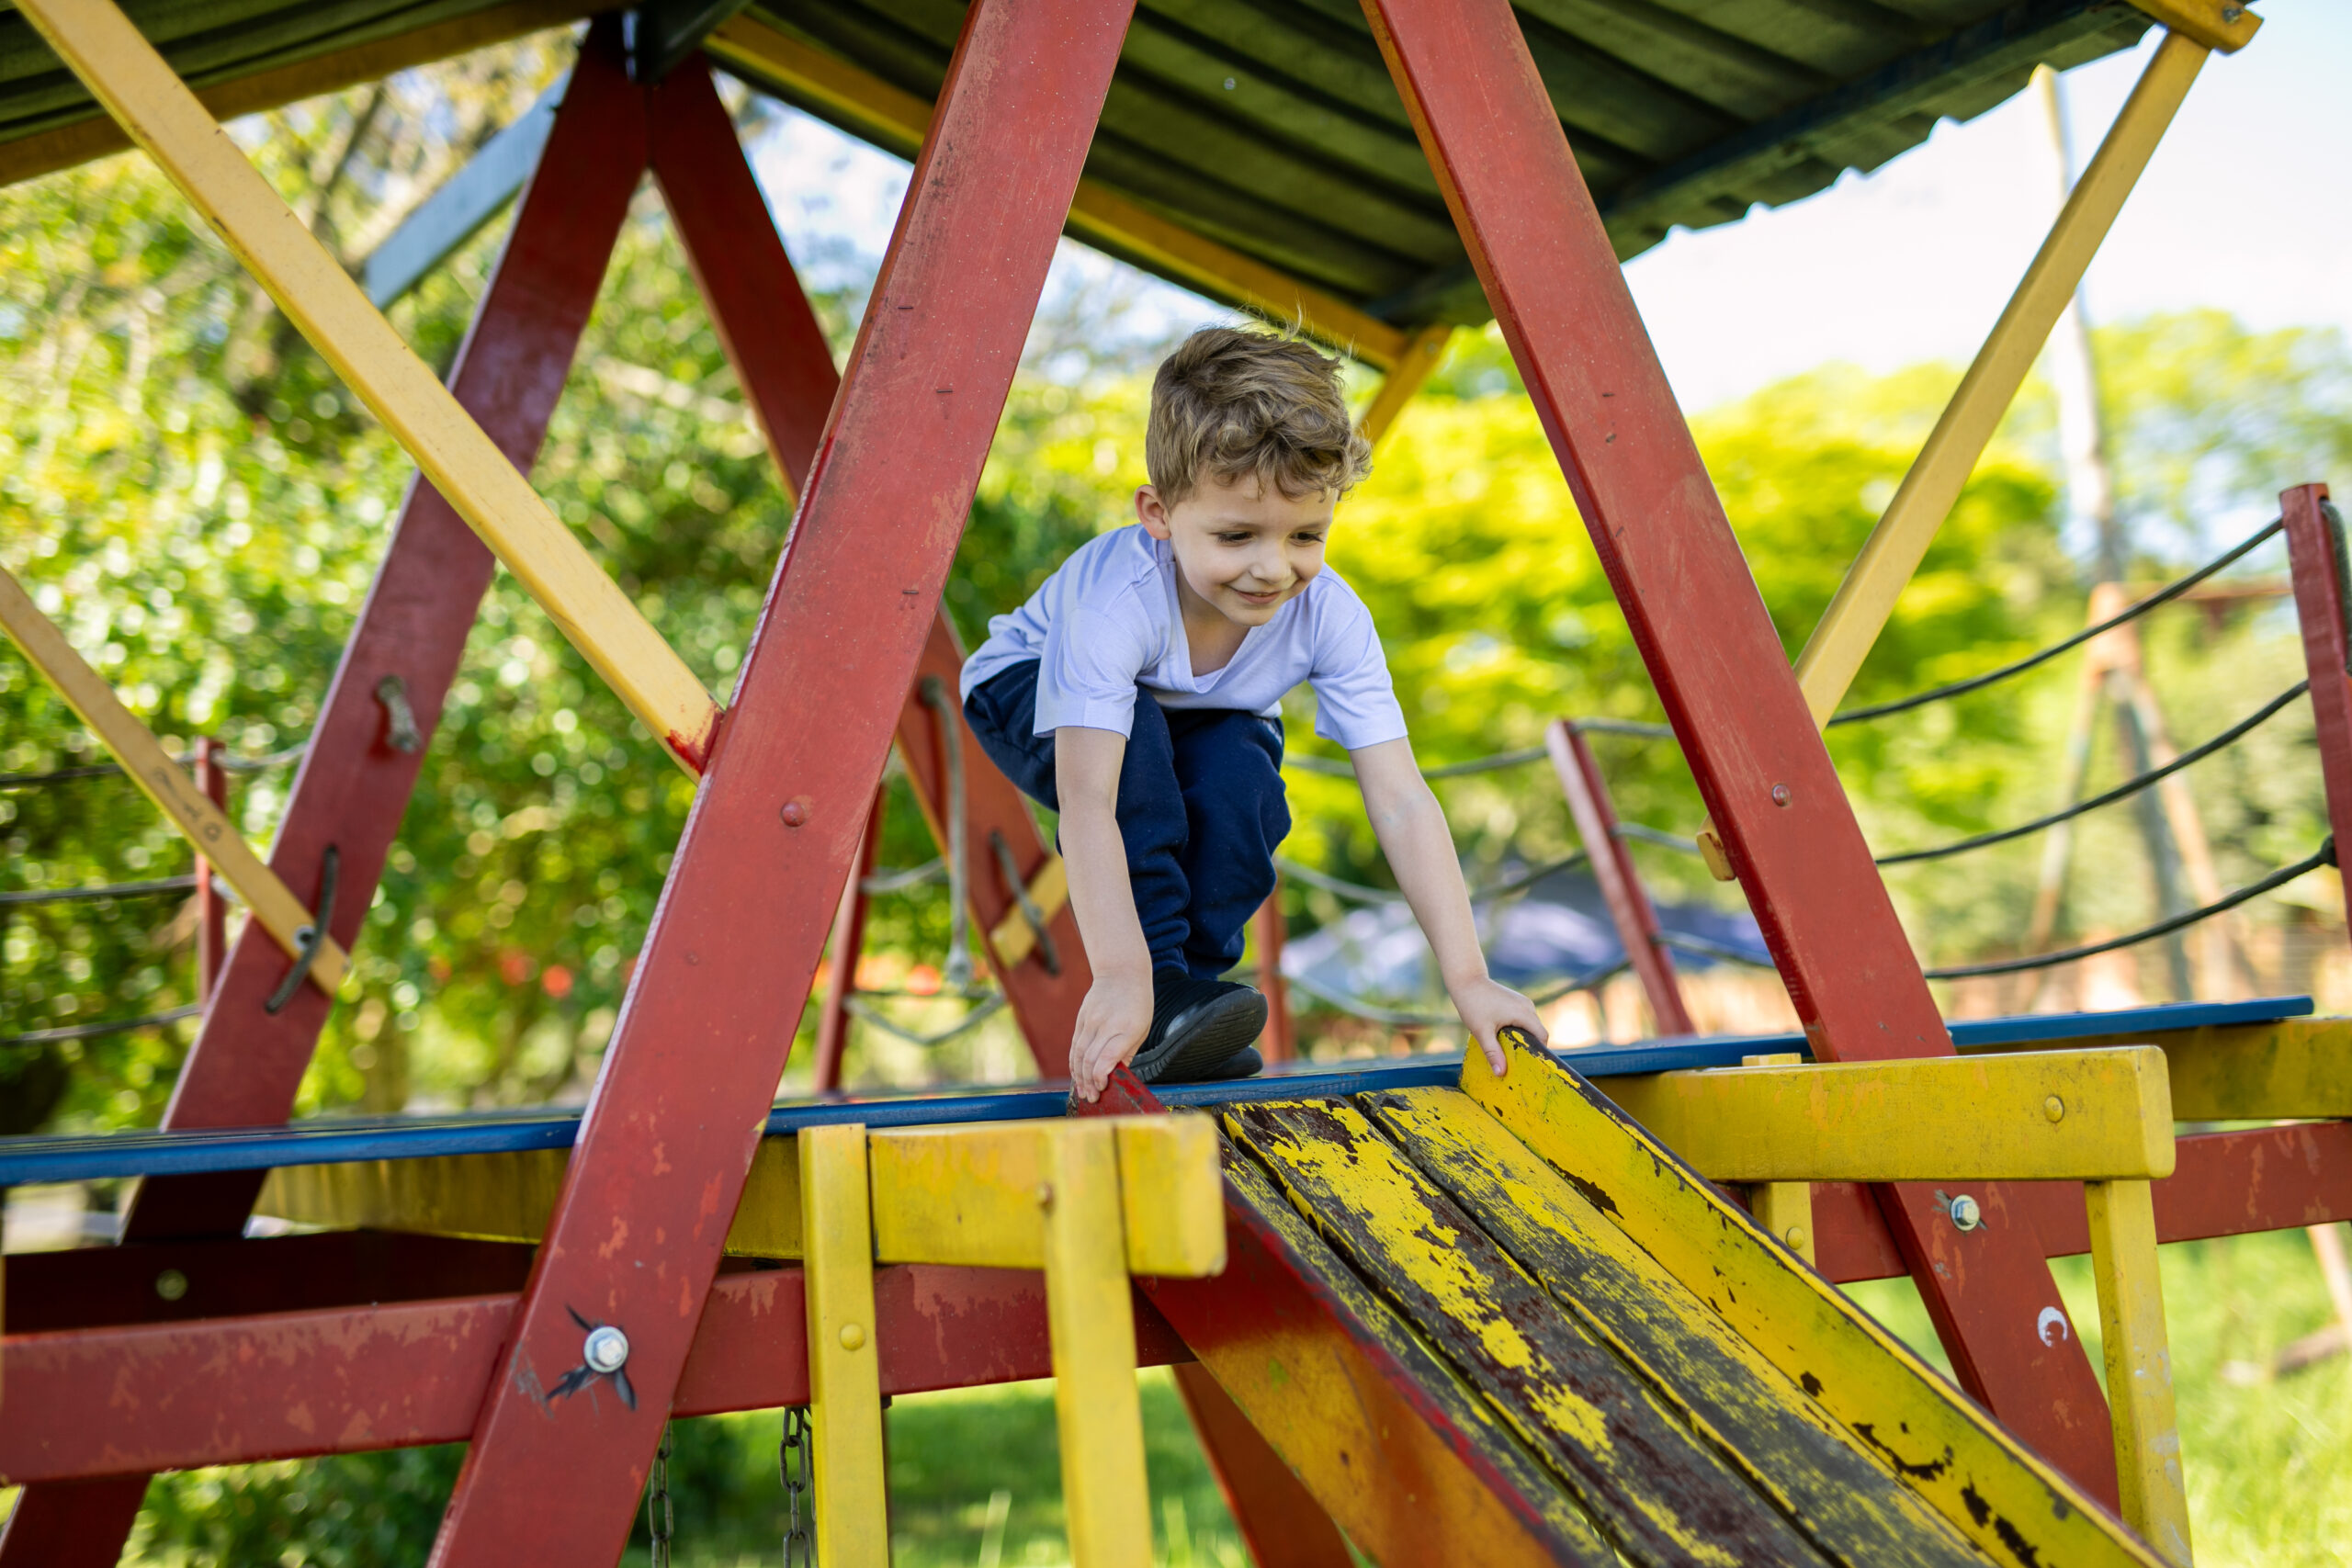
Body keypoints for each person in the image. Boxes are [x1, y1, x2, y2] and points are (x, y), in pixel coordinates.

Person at [962, 325, 1548, 1101]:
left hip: (1189, 714)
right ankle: (1161, 986)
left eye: (1307, 534)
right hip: (1026, 688)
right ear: (1159, 513)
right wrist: (1120, 974)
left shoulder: (1329, 614)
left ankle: (1188, 1012)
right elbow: (1093, 803)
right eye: (1237, 535)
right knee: (1138, 760)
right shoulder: (1115, 604)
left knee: (1245, 783)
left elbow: (1402, 798)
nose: (1273, 568)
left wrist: (1469, 977)